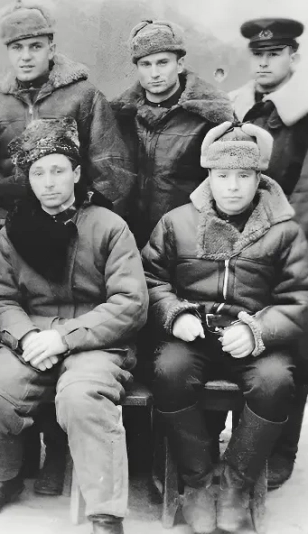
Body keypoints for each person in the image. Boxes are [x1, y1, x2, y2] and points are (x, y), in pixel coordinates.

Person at [0, 118, 147, 534]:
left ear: (76, 173)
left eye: (58, 170)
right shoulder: (13, 232)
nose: (48, 182)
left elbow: (130, 303)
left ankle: (104, 511)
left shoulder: (108, 226)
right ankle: (2, 477)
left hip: (96, 341)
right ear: (28, 180)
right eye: (38, 173)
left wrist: (64, 338)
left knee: (84, 397)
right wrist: (27, 336)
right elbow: (1, 298)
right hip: (31, 336)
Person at [143, 122, 308, 533]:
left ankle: (236, 484)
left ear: (259, 177)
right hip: (193, 335)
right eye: (222, 176)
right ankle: (198, 482)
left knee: (275, 381)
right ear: (209, 176)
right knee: (169, 370)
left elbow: (299, 299)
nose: (232, 186)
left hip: (256, 340)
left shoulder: (284, 231)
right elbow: (149, 280)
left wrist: (257, 331)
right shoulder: (176, 222)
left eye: (244, 176)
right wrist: (175, 313)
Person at [0, 0, 134, 250]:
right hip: (11, 226)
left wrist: (85, 219)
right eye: (17, 47)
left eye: (35, 46)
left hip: (73, 225)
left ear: (51, 49)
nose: (25, 56)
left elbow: (111, 169)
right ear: (8, 51)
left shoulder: (83, 97)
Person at [230, 17, 308, 489]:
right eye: (257, 54)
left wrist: (288, 241)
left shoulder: (303, 112)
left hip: (292, 243)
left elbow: (304, 192)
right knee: (237, 335)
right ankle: (239, 442)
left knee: (291, 346)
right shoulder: (238, 108)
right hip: (239, 247)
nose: (263, 62)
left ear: (293, 57)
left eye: (274, 54)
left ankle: (280, 450)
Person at [112, 20, 234, 248]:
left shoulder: (210, 116)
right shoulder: (120, 115)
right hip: (129, 240)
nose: (154, 73)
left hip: (188, 241)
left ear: (179, 64)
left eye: (162, 62)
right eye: (145, 64)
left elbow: (229, 186)